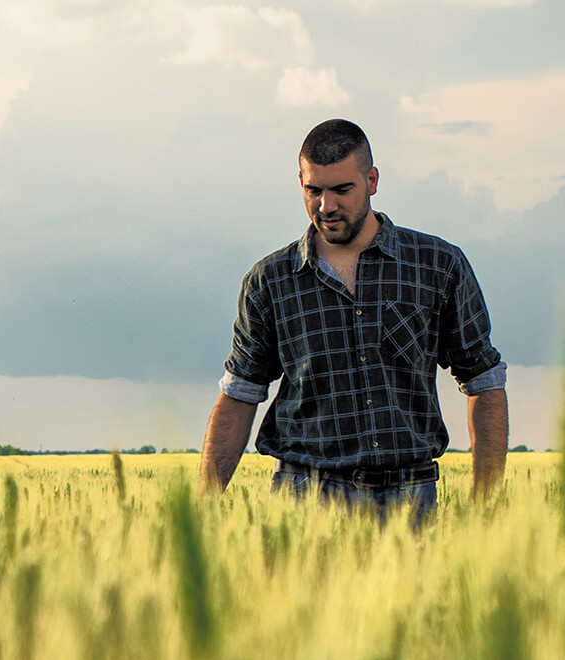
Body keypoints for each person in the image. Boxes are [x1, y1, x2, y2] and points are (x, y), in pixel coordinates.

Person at [198, 119, 508, 521]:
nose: (326, 206)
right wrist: (200, 513)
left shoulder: (437, 265)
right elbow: (240, 393)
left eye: (342, 189)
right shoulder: (270, 281)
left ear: (372, 180)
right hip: (304, 499)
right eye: (314, 190)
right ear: (301, 182)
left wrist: (486, 510)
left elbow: (484, 381)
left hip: (410, 501)